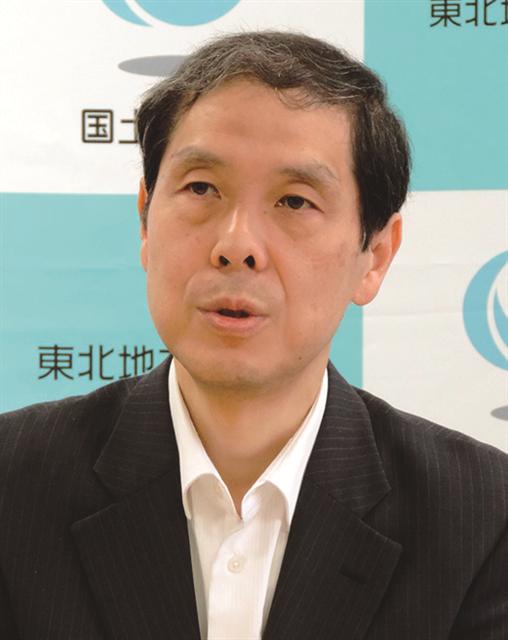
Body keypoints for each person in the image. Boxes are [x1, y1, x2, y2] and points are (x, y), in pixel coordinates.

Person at [0, 31, 506, 640]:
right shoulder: (13, 483)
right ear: (145, 221)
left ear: (374, 256)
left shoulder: (482, 519)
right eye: (201, 188)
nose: (236, 245)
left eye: (294, 201)